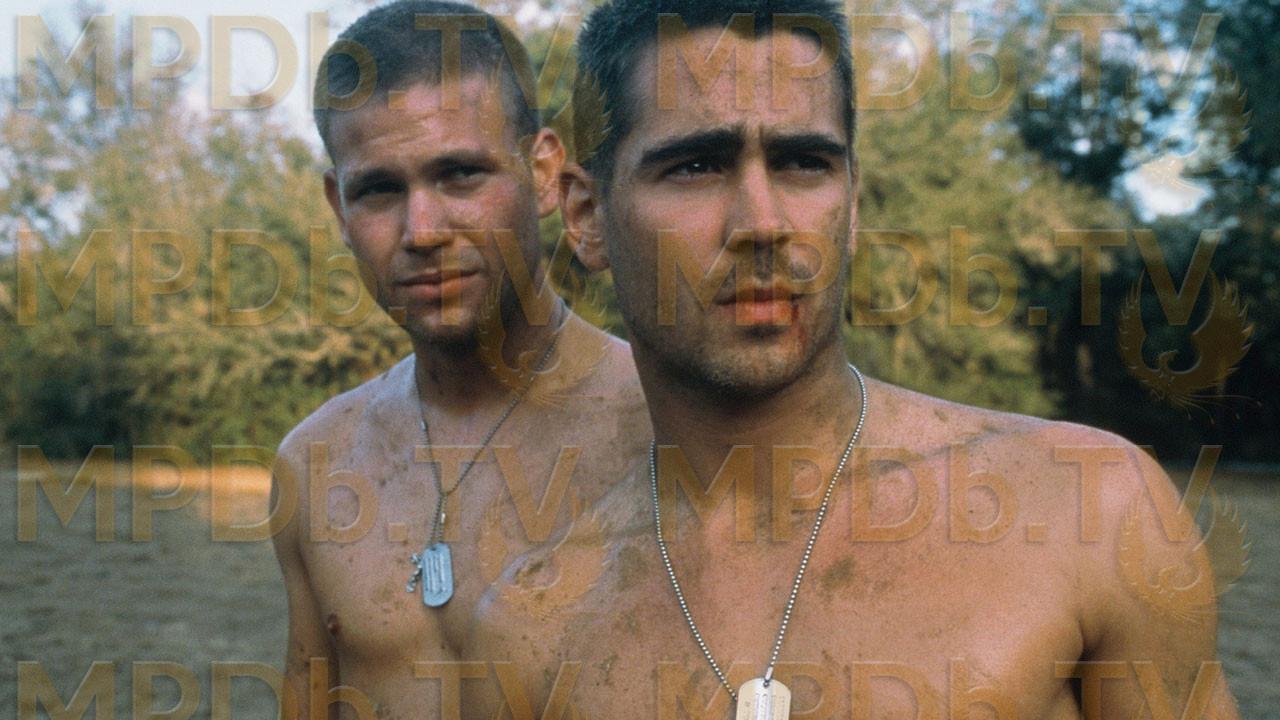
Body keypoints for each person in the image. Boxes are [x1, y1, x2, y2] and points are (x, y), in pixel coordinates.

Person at [553, 0, 1243, 718]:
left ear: (851, 205)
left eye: (803, 163)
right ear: (586, 216)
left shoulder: (1091, 513)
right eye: (696, 166)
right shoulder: (538, 615)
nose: (762, 223)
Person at [270, 2, 648, 717]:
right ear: (339, 209)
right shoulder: (316, 465)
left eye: (461, 175)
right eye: (379, 190)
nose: (422, 231)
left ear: (544, 172)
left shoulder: (665, 432)